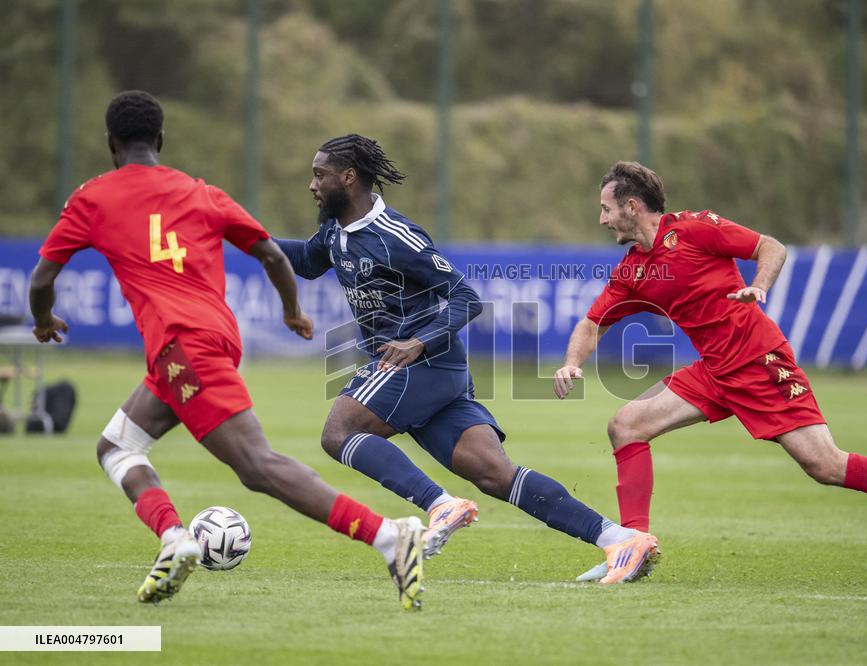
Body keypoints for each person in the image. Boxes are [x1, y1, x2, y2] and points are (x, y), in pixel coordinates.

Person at [29, 91, 426, 610]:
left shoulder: (92, 197)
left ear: (112, 144)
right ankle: (175, 539)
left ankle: (390, 536)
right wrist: (291, 312)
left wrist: (43, 321)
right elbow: (269, 254)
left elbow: (42, 279)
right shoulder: (200, 192)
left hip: (181, 344)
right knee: (117, 447)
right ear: (161, 140)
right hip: (212, 338)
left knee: (257, 467)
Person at [554, 161, 867, 582]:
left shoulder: (694, 228)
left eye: (606, 208)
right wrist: (572, 363)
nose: (602, 218)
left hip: (758, 361)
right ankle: (634, 546)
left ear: (631, 207)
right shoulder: (634, 269)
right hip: (713, 370)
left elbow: (770, 246)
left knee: (825, 465)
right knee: (626, 425)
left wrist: (759, 285)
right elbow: (592, 323)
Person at [275, 134, 657, 584]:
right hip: (436, 373)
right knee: (495, 474)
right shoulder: (336, 231)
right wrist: (240, 234)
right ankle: (618, 539)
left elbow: (465, 297)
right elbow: (305, 260)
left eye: (319, 175)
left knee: (339, 432)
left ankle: (439, 505)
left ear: (348, 177)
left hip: (421, 361)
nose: (312, 184)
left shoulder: (395, 236)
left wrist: (418, 342)